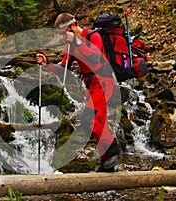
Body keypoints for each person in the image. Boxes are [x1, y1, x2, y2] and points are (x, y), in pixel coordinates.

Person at [36, 13, 121, 172]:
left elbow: (96, 58)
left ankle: (113, 152)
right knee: (90, 122)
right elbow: (64, 68)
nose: (63, 36)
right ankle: (107, 162)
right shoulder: (71, 45)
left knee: (96, 121)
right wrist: (47, 63)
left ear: (73, 26)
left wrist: (77, 42)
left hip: (104, 83)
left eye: (64, 32)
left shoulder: (94, 36)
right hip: (91, 85)